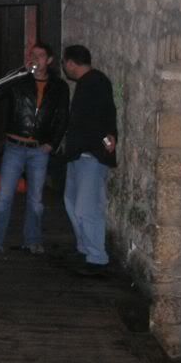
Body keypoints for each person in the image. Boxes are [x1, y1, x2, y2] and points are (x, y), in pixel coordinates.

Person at [0, 43, 69, 255]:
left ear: (49, 60)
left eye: (40, 55)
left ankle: (33, 241)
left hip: (39, 149)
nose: (35, 58)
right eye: (32, 54)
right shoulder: (20, 80)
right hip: (14, 147)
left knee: (36, 201)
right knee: (3, 198)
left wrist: (52, 143)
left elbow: (63, 117)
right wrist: (21, 71)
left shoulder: (59, 86)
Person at [61, 44, 117, 276]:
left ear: (70, 63)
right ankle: (85, 248)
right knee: (72, 203)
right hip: (79, 154)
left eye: (65, 63)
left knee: (87, 208)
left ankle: (97, 258)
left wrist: (104, 143)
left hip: (90, 156)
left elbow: (103, 119)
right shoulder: (88, 83)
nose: (65, 68)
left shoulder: (96, 82)